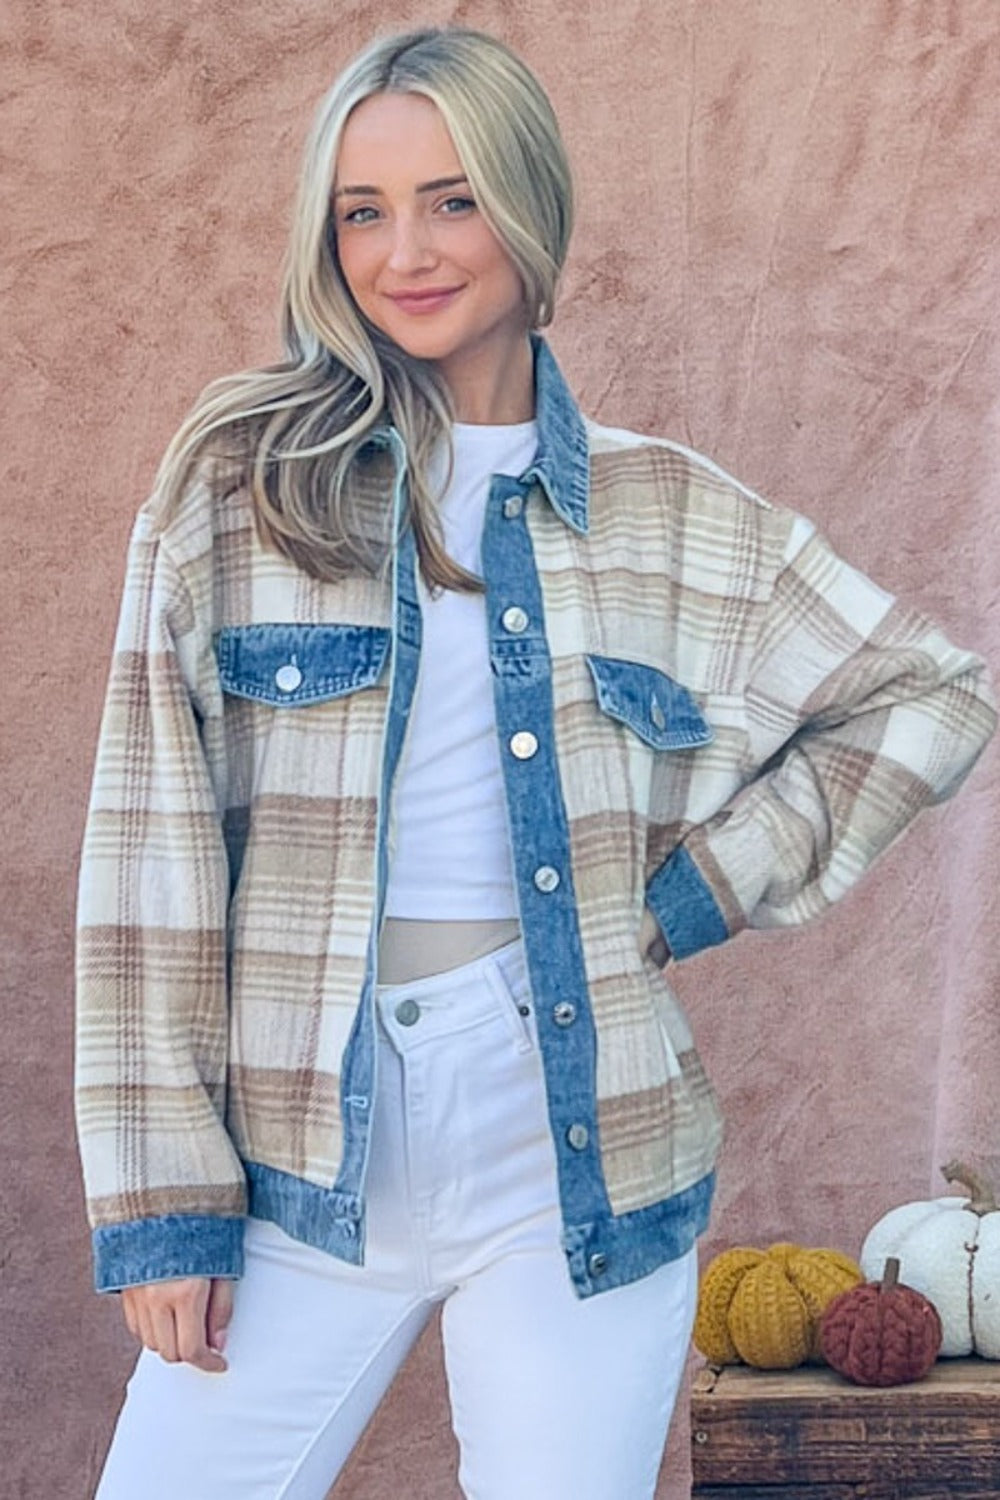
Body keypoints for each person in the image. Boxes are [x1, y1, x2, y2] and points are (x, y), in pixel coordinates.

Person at [74, 24, 995, 1500]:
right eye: (361, 212)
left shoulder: (673, 518)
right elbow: (147, 851)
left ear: (529, 207)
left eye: (452, 199)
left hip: (582, 1139)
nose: (406, 252)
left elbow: (930, 695)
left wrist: (695, 893)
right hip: (305, 1148)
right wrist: (165, 1202)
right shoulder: (240, 485)